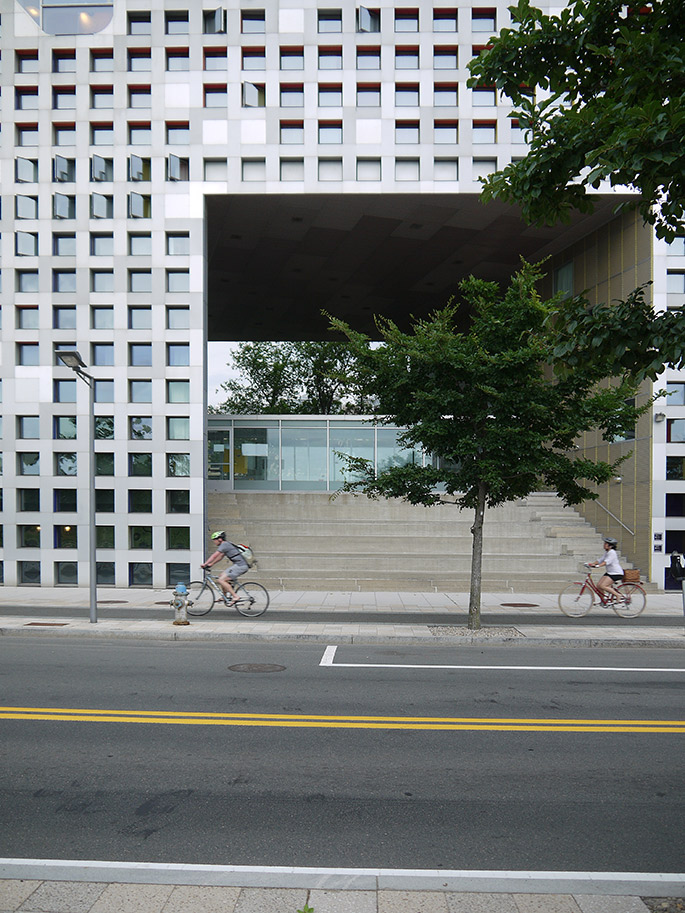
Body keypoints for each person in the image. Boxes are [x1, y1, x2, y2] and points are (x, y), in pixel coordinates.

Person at [201, 530, 249, 606]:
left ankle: (235, 596)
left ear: (220, 539)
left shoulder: (224, 545)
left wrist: (205, 563)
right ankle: (224, 596)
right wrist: (211, 564)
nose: (214, 542)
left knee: (221, 580)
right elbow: (220, 557)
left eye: (215, 540)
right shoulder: (227, 545)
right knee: (221, 576)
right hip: (239, 565)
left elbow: (214, 555)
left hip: (240, 566)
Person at [587, 537, 624, 601]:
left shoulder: (612, 553)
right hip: (610, 572)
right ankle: (603, 600)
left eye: (605, 544)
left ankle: (618, 595)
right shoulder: (607, 552)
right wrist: (592, 564)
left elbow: (606, 562)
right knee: (598, 586)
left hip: (616, 573)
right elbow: (600, 560)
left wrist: (598, 566)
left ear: (610, 546)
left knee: (603, 586)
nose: (604, 545)